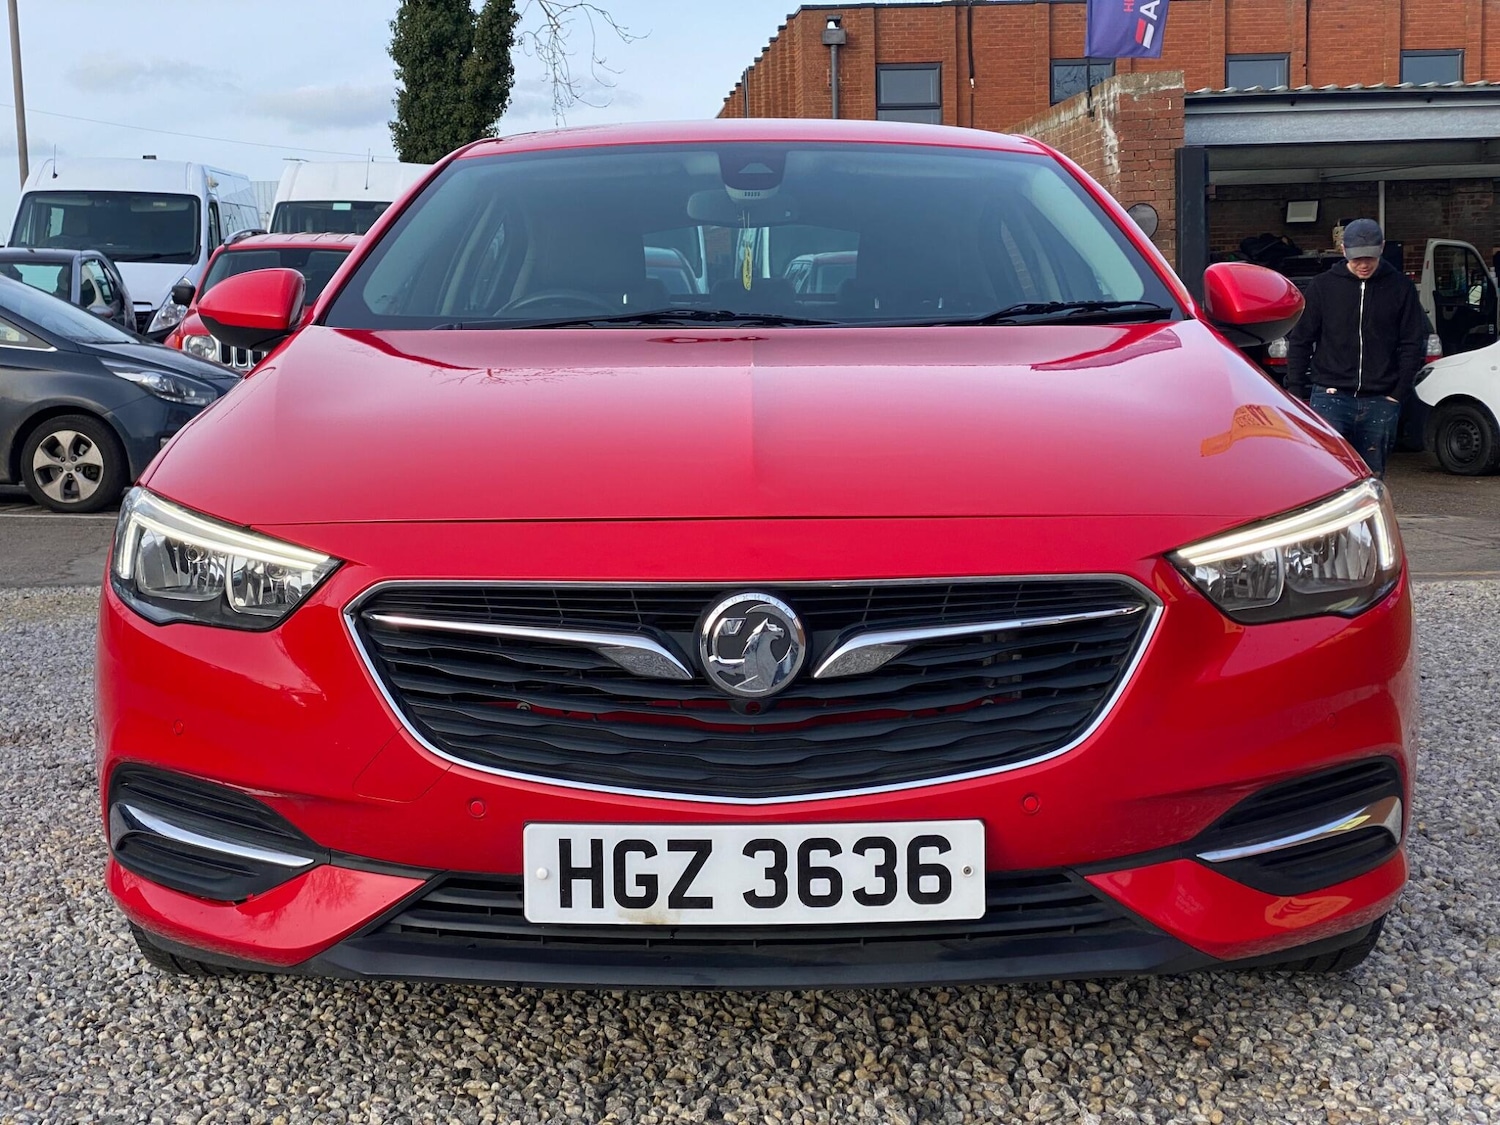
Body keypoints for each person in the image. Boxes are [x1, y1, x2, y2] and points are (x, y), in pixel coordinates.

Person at [1285, 218, 1425, 477]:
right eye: (1357, 257)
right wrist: (1295, 391)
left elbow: (1413, 342)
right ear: (1343, 250)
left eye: (1370, 257)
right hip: (1330, 397)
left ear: (1382, 248)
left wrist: (1397, 393)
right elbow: (1301, 339)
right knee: (1327, 477)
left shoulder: (1400, 288)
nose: (1364, 264)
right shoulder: (1323, 287)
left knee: (1372, 478)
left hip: (1380, 399)